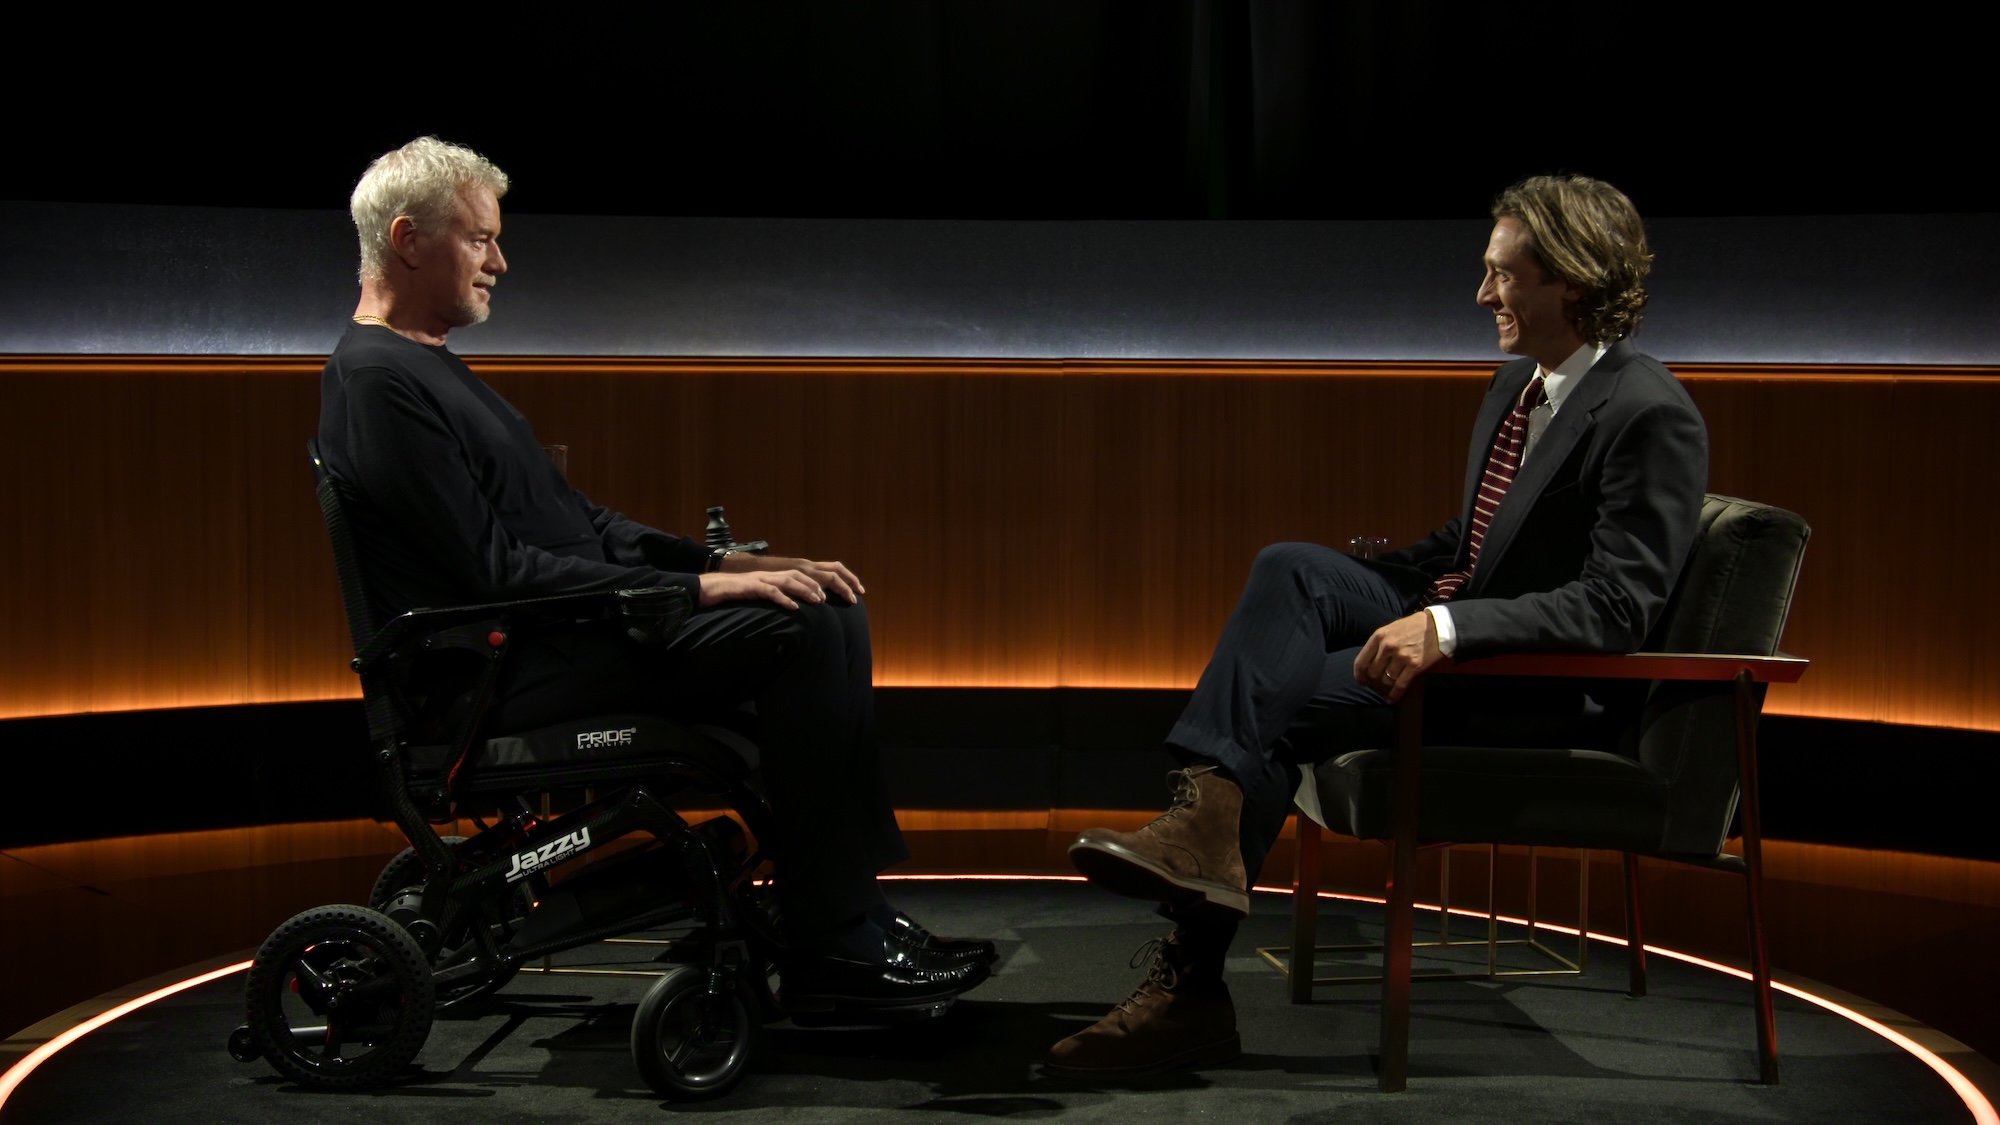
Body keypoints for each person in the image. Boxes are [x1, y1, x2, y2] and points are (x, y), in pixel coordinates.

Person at [1048, 175, 1708, 1075]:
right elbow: (1478, 541)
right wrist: (1382, 576)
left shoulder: (1649, 412)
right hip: (1463, 630)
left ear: (1572, 281)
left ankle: (1188, 983)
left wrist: (1446, 626)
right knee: (1291, 566)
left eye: (1503, 274)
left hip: (1529, 688)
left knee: (1273, 711)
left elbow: (1617, 606)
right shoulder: (1518, 385)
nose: (1482, 294)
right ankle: (1202, 836)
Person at [317, 136, 994, 1011]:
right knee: (807, 630)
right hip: (503, 675)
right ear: (408, 239)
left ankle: (842, 906)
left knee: (823, 603)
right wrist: (699, 592)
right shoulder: (377, 380)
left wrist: (724, 561)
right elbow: (494, 572)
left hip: (552, 643)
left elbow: (584, 523)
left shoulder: (423, 365)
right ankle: (833, 934)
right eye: (480, 239)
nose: (500, 262)